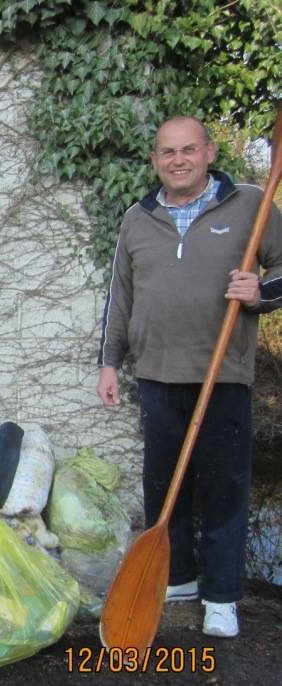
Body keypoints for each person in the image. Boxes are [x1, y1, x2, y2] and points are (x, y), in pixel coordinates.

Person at [97, 116, 282, 639]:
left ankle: (221, 595)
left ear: (208, 152)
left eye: (188, 150)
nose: (177, 160)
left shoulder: (249, 204)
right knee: (163, 488)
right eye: (167, 152)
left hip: (222, 376)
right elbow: (121, 297)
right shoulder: (138, 217)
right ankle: (177, 577)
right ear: (155, 159)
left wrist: (261, 293)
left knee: (224, 489)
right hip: (156, 376)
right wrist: (109, 362)